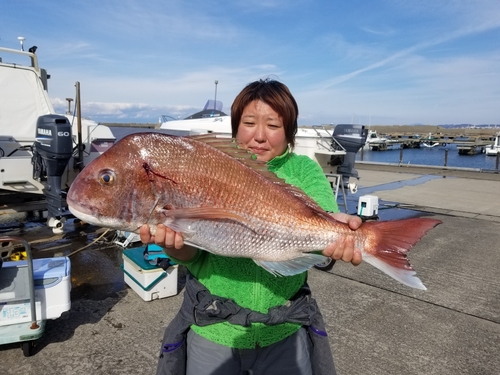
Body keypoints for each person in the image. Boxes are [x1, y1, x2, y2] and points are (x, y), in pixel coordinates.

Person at [140, 79, 362, 375]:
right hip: (214, 331)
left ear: (289, 131)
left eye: (273, 125)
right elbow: (194, 257)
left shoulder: (304, 171)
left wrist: (339, 236)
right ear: (235, 126)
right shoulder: (211, 166)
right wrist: (172, 246)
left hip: (284, 333)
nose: (259, 136)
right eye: (248, 123)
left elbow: (325, 223)